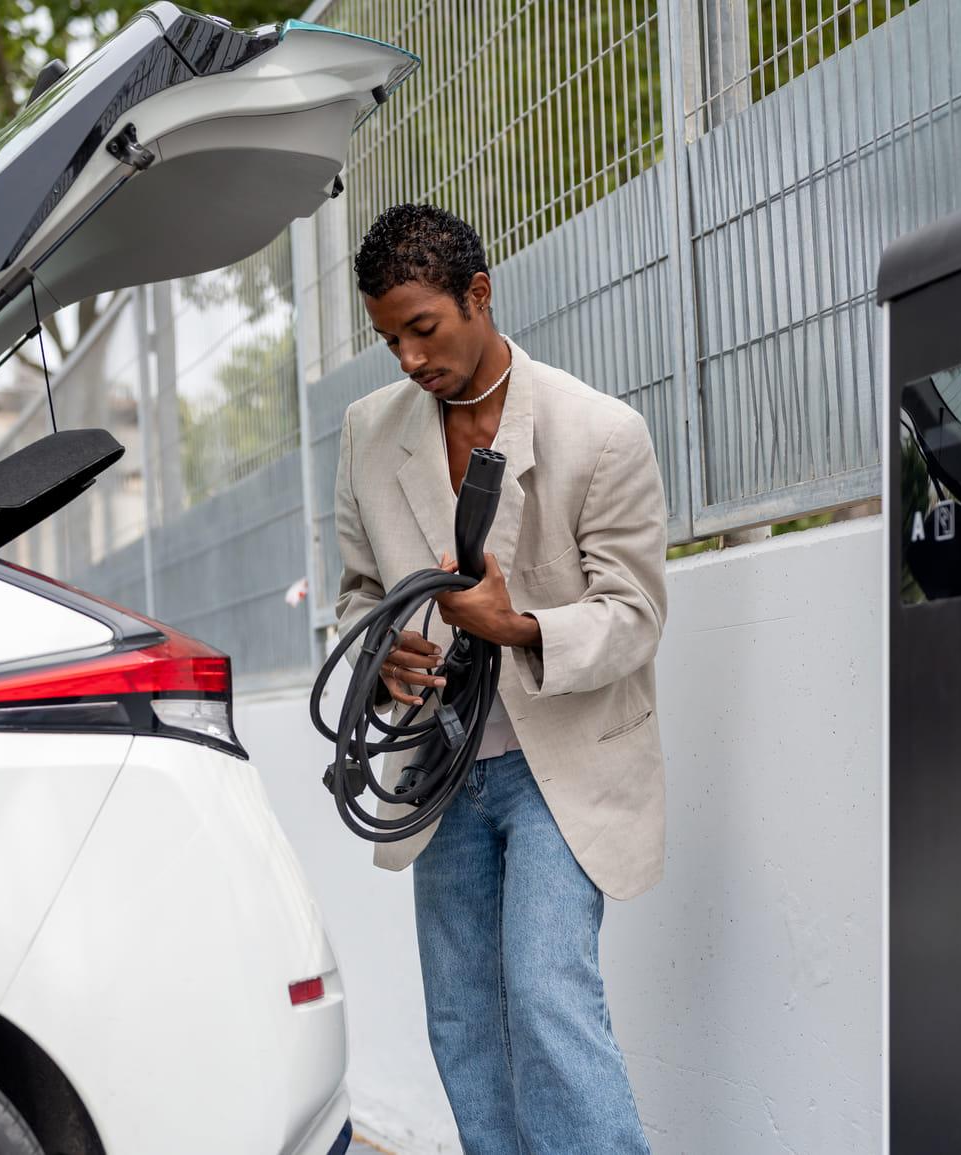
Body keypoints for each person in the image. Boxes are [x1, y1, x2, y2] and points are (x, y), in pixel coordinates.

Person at [334, 203, 667, 1154]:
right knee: (464, 1017)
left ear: (477, 295)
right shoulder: (368, 432)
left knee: (547, 996)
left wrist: (517, 625)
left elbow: (636, 613)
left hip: (559, 766)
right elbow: (359, 591)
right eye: (387, 338)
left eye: (422, 329)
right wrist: (379, 646)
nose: (406, 357)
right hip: (439, 766)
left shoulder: (598, 431)